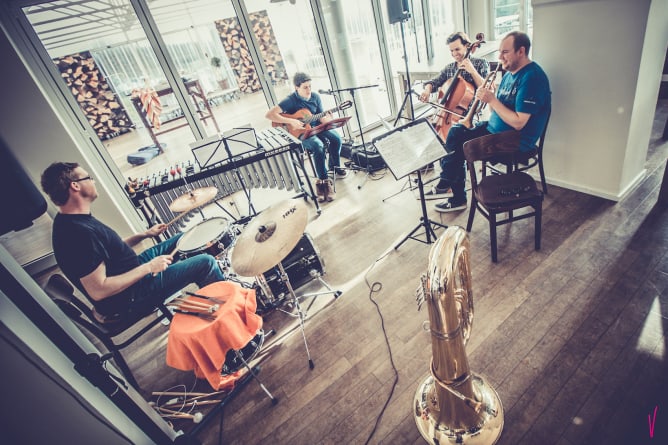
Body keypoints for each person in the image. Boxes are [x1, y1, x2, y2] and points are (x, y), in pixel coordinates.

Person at [40, 162, 226, 320]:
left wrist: (144, 235)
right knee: (205, 263)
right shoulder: (76, 234)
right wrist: (149, 268)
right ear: (75, 186)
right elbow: (99, 290)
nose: (93, 181)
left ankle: (211, 290)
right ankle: (227, 312)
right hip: (130, 298)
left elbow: (108, 250)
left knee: (184, 238)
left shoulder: (74, 219)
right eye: (88, 177)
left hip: (133, 272)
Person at [432, 31, 551, 212]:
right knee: (456, 133)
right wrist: (489, 97)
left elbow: (519, 123)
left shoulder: (532, 78)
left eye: (505, 52)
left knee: (458, 148)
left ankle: (451, 190)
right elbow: (494, 110)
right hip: (495, 131)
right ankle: (448, 183)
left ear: (521, 51)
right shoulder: (510, 73)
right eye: (499, 52)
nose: (499, 57)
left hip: (514, 142)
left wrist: (492, 99)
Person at [419, 32, 489, 198]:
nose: (454, 54)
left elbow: (486, 89)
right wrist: (427, 89)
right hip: (450, 115)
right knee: (441, 142)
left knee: (452, 144)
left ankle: (456, 193)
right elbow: (435, 81)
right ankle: (452, 187)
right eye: (451, 51)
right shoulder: (451, 68)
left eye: (457, 49)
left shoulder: (480, 64)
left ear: (467, 45)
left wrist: (471, 71)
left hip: (470, 118)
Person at [266, 72, 345, 203]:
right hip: (301, 131)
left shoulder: (315, 97)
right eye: (305, 87)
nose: (309, 90)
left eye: (310, 86)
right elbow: (269, 115)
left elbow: (321, 116)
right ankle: (323, 183)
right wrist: (292, 122)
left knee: (336, 139)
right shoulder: (290, 100)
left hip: (316, 127)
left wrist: (329, 118)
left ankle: (334, 166)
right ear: (297, 87)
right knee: (318, 146)